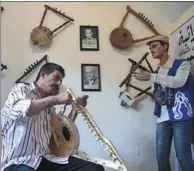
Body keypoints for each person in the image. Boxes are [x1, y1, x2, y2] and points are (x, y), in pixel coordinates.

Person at [1, 62, 105, 171]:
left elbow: (62, 132)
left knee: (94, 168)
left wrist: (75, 109)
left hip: (46, 159)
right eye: (56, 78)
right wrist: (56, 99)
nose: (59, 83)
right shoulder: (21, 89)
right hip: (17, 162)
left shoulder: (50, 107)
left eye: (61, 80)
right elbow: (23, 110)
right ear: (43, 75)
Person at [134, 35, 194, 171]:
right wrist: (156, 96)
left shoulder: (183, 64)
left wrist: (152, 76)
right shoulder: (156, 71)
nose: (151, 49)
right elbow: (156, 94)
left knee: (183, 155)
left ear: (165, 46)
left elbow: (179, 81)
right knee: (161, 156)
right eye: (150, 48)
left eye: (154, 46)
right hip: (163, 117)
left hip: (181, 116)